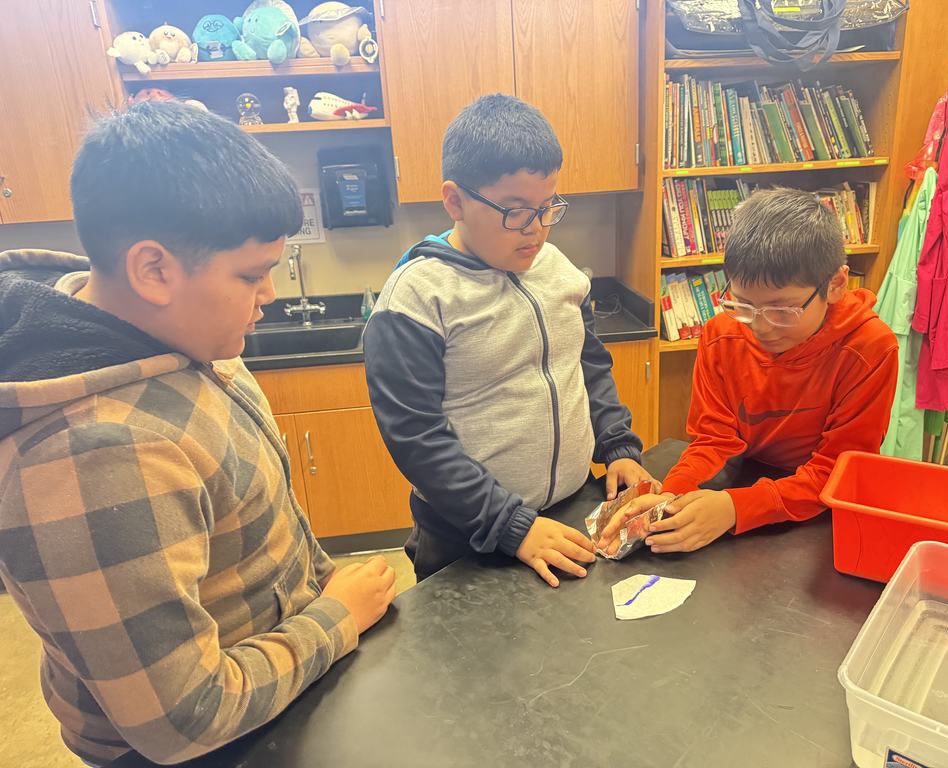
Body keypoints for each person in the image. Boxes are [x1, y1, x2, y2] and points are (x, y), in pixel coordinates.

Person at [0, 100, 396, 766]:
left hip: (277, 685)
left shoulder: (179, 336)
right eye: (250, 274)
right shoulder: (89, 457)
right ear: (152, 270)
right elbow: (184, 719)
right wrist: (337, 618)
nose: (268, 294)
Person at [364, 94, 651, 586]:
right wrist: (511, 527)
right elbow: (416, 438)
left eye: (547, 207)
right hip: (468, 539)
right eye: (515, 211)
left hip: (571, 510)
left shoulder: (557, 268)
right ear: (455, 200)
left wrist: (618, 444)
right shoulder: (415, 299)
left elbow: (588, 367)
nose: (536, 230)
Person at [599, 188, 899, 554]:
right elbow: (714, 440)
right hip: (746, 481)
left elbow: (838, 470)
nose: (760, 326)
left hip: (820, 511)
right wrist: (672, 494)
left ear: (835, 284)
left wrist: (735, 508)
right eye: (742, 304)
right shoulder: (721, 334)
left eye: (782, 310)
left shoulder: (869, 348)